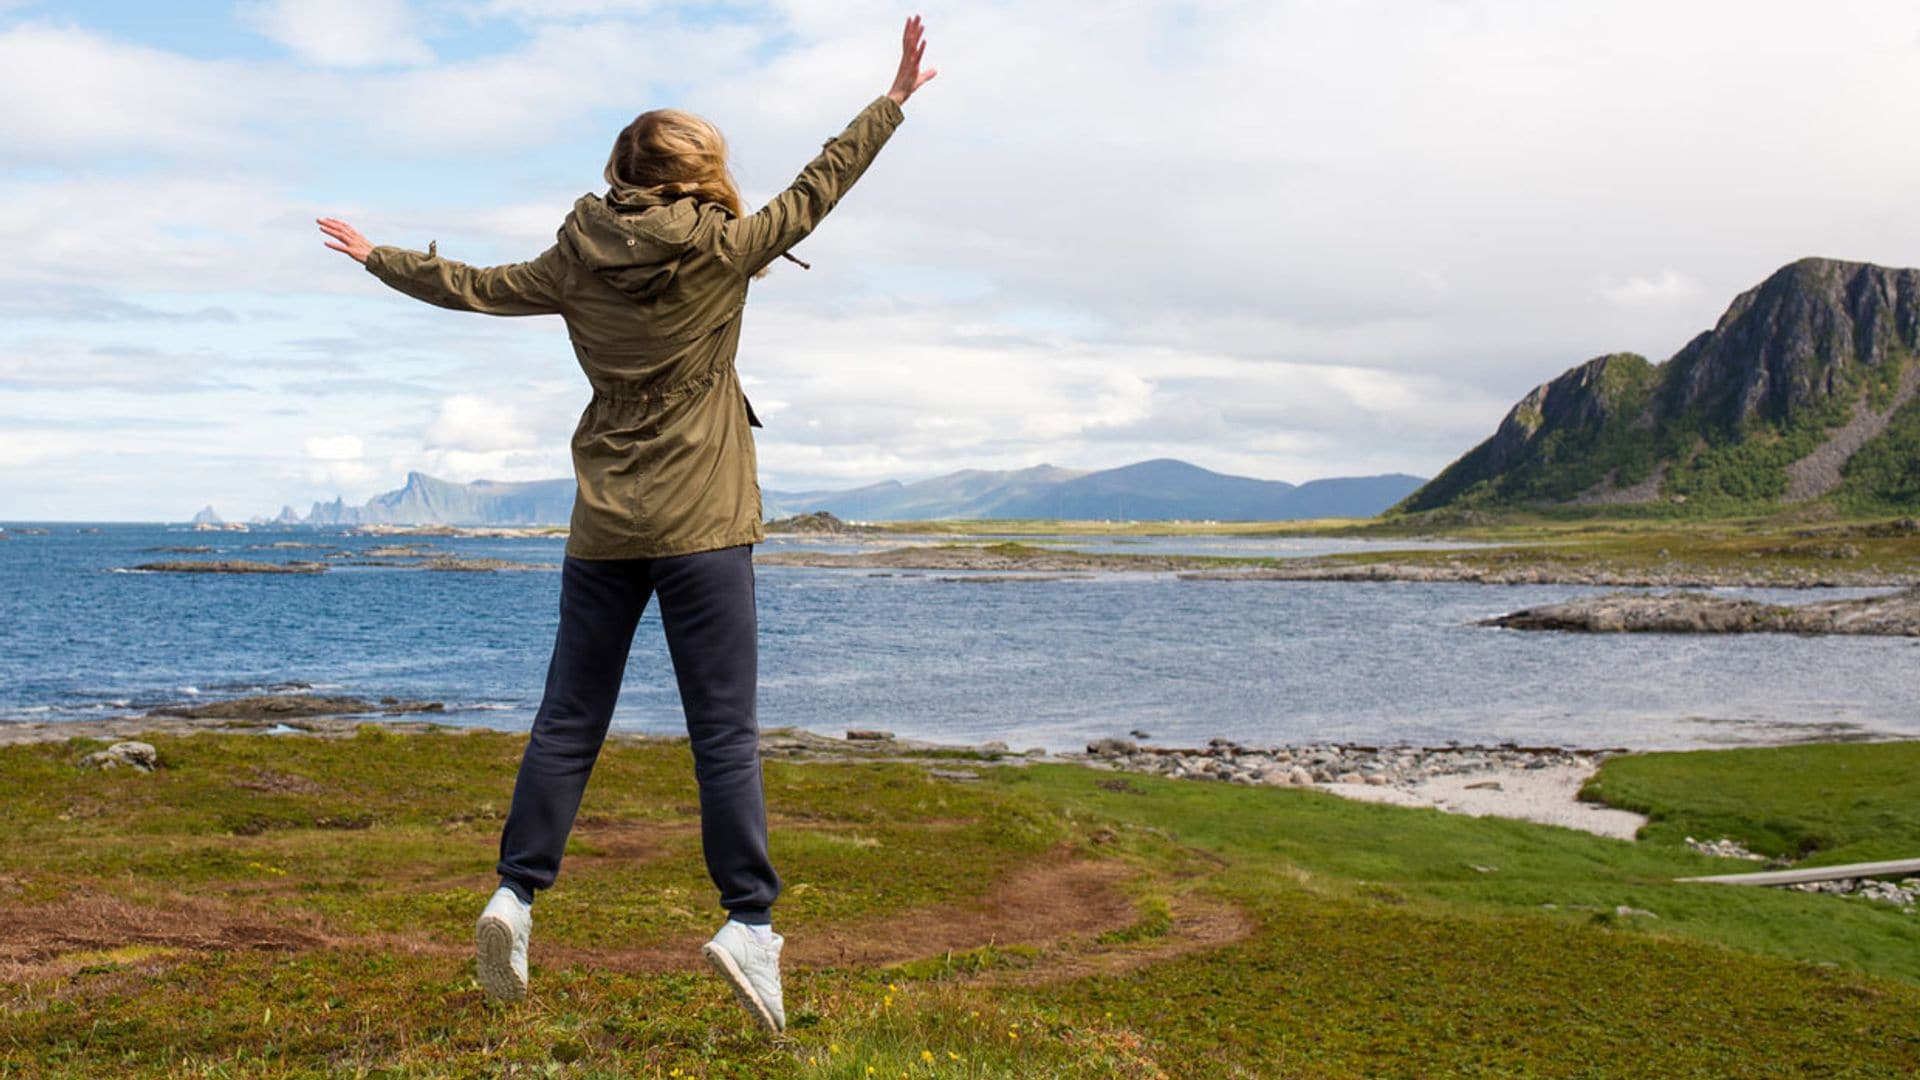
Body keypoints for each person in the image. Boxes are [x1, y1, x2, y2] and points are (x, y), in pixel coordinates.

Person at [316, 15, 936, 1035]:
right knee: (722, 737)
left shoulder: (573, 260)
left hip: (604, 523)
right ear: (698, 173)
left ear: (623, 170)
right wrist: (893, 100)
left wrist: (377, 256)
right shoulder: (726, 247)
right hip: (704, 525)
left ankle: (515, 895)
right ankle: (748, 924)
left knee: (569, 720)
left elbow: (471, 287)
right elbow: (822, 187)